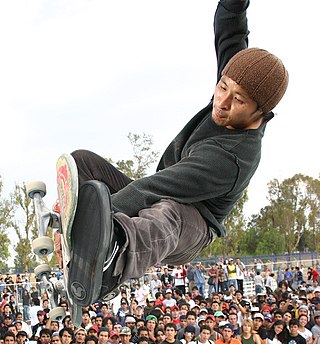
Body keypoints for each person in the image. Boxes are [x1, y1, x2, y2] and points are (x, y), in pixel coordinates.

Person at [54, 0, 289, 307]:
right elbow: (229, 29)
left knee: (168, 213)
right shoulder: (237, 83)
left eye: (238, 101)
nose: (222, 102)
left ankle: (112, 263)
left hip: (192, 228)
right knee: (82, 161)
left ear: (261, 110)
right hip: (162, 198)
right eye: (222, 87)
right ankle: (94, 241)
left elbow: (155, 188)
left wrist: (93, 222)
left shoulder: (232, 158)